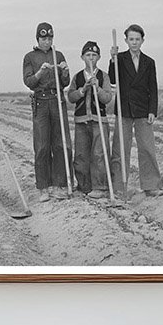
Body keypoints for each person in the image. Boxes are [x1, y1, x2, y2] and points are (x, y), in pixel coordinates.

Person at [108, 23, 163, 198]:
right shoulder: (120, 58)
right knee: (120, 149)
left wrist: (152, 110)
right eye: (131, 39)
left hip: (143, 109)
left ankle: (151, 185)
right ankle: (119, 187)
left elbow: (153, 88)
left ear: (142, 41)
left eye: (137, 39)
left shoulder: (149, 62)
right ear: (126, 40)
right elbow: (112, 78)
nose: (134, 42)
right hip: (123, 108)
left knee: (147, 147)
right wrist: (112, 59)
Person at [22, 21, 72, 202]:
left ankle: (60, 184)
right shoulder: (30, 57)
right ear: (37, 38)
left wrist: (65, 72)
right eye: (43, 38)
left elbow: (65, 82)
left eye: (49, 38)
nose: (46, 41)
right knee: (42, 145)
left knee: (60, 143)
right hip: (41, 102)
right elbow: (28, 82)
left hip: (57, 100)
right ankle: (43, 186)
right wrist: (40, 73)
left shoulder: (57, 54)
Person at [67, 41, 115, 199]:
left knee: (99, 154)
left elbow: (107, 98)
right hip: (81, 121)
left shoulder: (103, 76)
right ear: (82, 57)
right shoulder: (78, 77)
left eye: (94, 55)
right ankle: (83, 186)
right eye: (88, 55)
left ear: (99, 57)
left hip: (99, 120)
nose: (91, 58)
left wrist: (97, 87)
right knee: (81, 155)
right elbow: (71, 97)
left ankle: (100, 187)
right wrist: (83, 90)